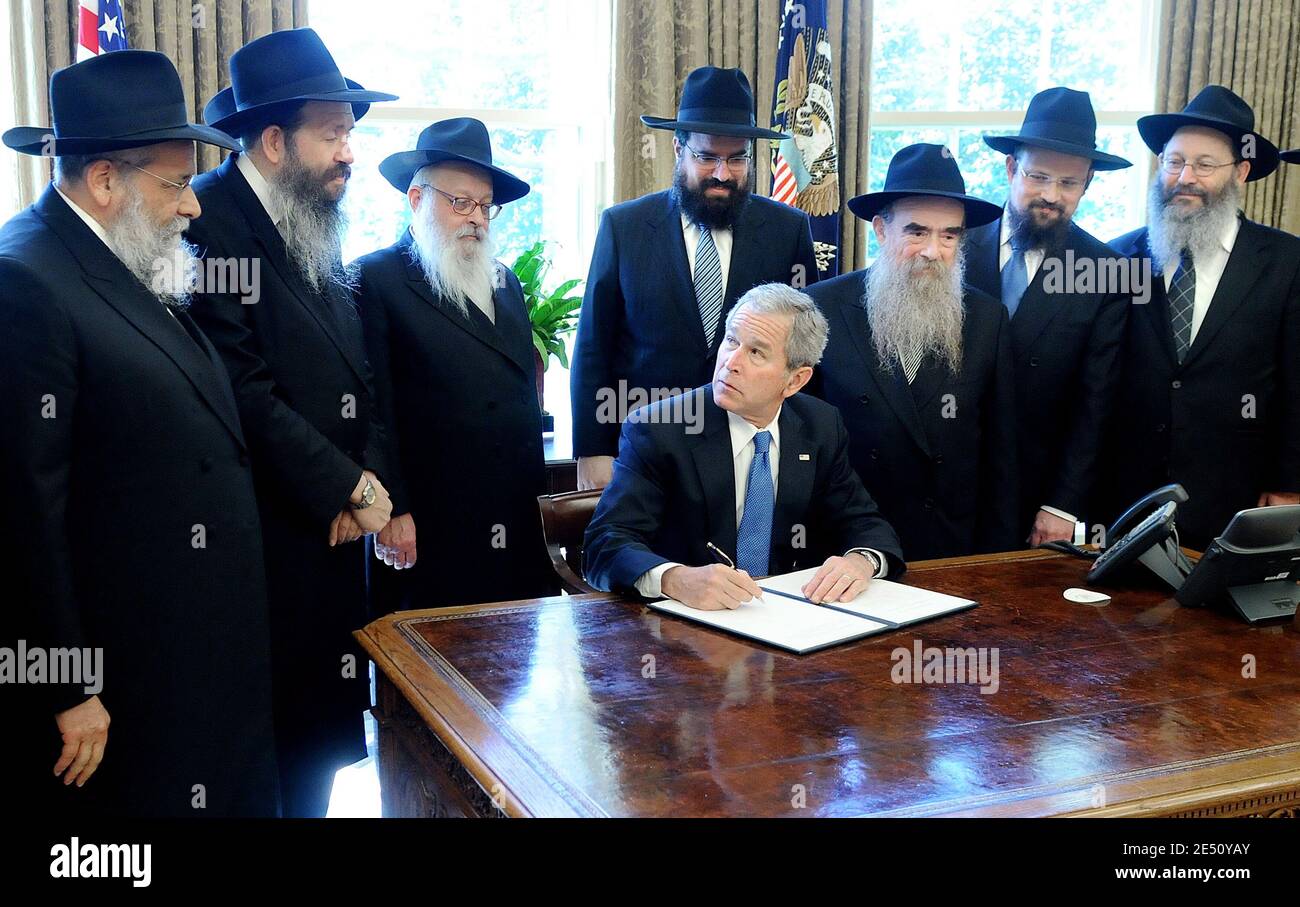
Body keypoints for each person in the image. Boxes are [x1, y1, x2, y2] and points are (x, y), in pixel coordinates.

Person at [0, 50, 278, 816]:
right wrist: (68, 682)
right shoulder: (25, 280)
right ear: (105, 181)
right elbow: (23, 511)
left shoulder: (128, 256)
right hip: (125, 681)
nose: (193, 207)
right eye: (178, 183)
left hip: (192, 661)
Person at [186, 27, 398, 818]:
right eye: (334, 133)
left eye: (350, 132)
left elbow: (355, 371)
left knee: (315, 754)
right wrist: (344, 484)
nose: (349, 152)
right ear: (274, 140)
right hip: (265, 547)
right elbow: (239, 387)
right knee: (268, 763)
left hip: (329, 540)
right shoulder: (208, 221)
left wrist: (362, 480)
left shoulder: (312, 215)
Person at [570, 66, 819, 491]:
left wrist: (803, 448)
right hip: (648, 448)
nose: (723, 173)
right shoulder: (624, 227)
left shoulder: (787, 230)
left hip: (750, 451)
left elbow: (805, 352)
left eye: (737, 158)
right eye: (707, 157)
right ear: (678, 149)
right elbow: (594, 347)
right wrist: (593, 449)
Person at [584, 284, 903, 611]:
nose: (731, 362)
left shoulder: (821, 426)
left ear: (795, 380)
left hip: (792, 619)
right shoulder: (658, 428)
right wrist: (675, 579)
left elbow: (864, 523)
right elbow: (605, 545)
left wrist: (862, 561)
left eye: (756, 353)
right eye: (732, 340)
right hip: (687, 628)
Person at [352, 118, 558, 608]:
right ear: (418, 200)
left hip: (514, 514)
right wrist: (394, 511)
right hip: (431, 521)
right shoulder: (374, 279)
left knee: (510, 670)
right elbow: (371, 408)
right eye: (461, 203)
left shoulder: (505, 282)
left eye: (487, 206)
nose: (477, 219)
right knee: (433, 672)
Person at [1104, 86, 1300, 548]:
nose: (1184, 177)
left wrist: (1289, 483)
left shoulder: (1286, 262)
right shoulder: (1120, 257)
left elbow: (1296, 384)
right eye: (1174, 162)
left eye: (1205, 165)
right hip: (1127, 503)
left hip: (1236, 499)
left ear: (1241, 173)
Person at [807, 144, 1020, 560]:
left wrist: (1001, 561)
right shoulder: (823, 307)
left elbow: (1003, 455)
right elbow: (802, 439)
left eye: (949, 236)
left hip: (949, 547)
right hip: (846, 547)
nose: (932, 251)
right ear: (882, 230)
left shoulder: (987, 318)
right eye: (916, 231)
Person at [965, 88, 1132, 545]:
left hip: (1035, 493)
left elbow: (1097, 402)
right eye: (1038, 177)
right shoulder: (952, 246)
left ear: (1088, 184)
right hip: (946, 482)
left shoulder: (1106, 272)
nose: (1051, 195)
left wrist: (1063, 504)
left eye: (1069, 183)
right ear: (1010, 168)